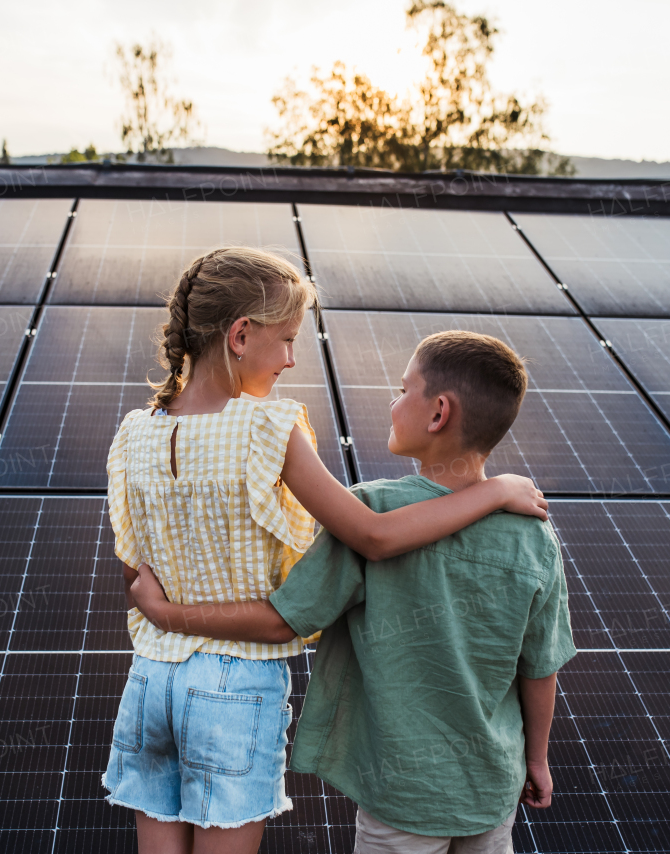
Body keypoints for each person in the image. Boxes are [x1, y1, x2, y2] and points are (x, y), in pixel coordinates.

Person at [102, 247, 548, 854]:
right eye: (286, 339)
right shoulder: (267, 427)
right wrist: (495, 490)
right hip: (233, 684)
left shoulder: (132, 435)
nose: (290, 359)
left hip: (151, 679)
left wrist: (165, 614)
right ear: (240, 335)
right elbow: (373, 534)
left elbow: (134, 568)